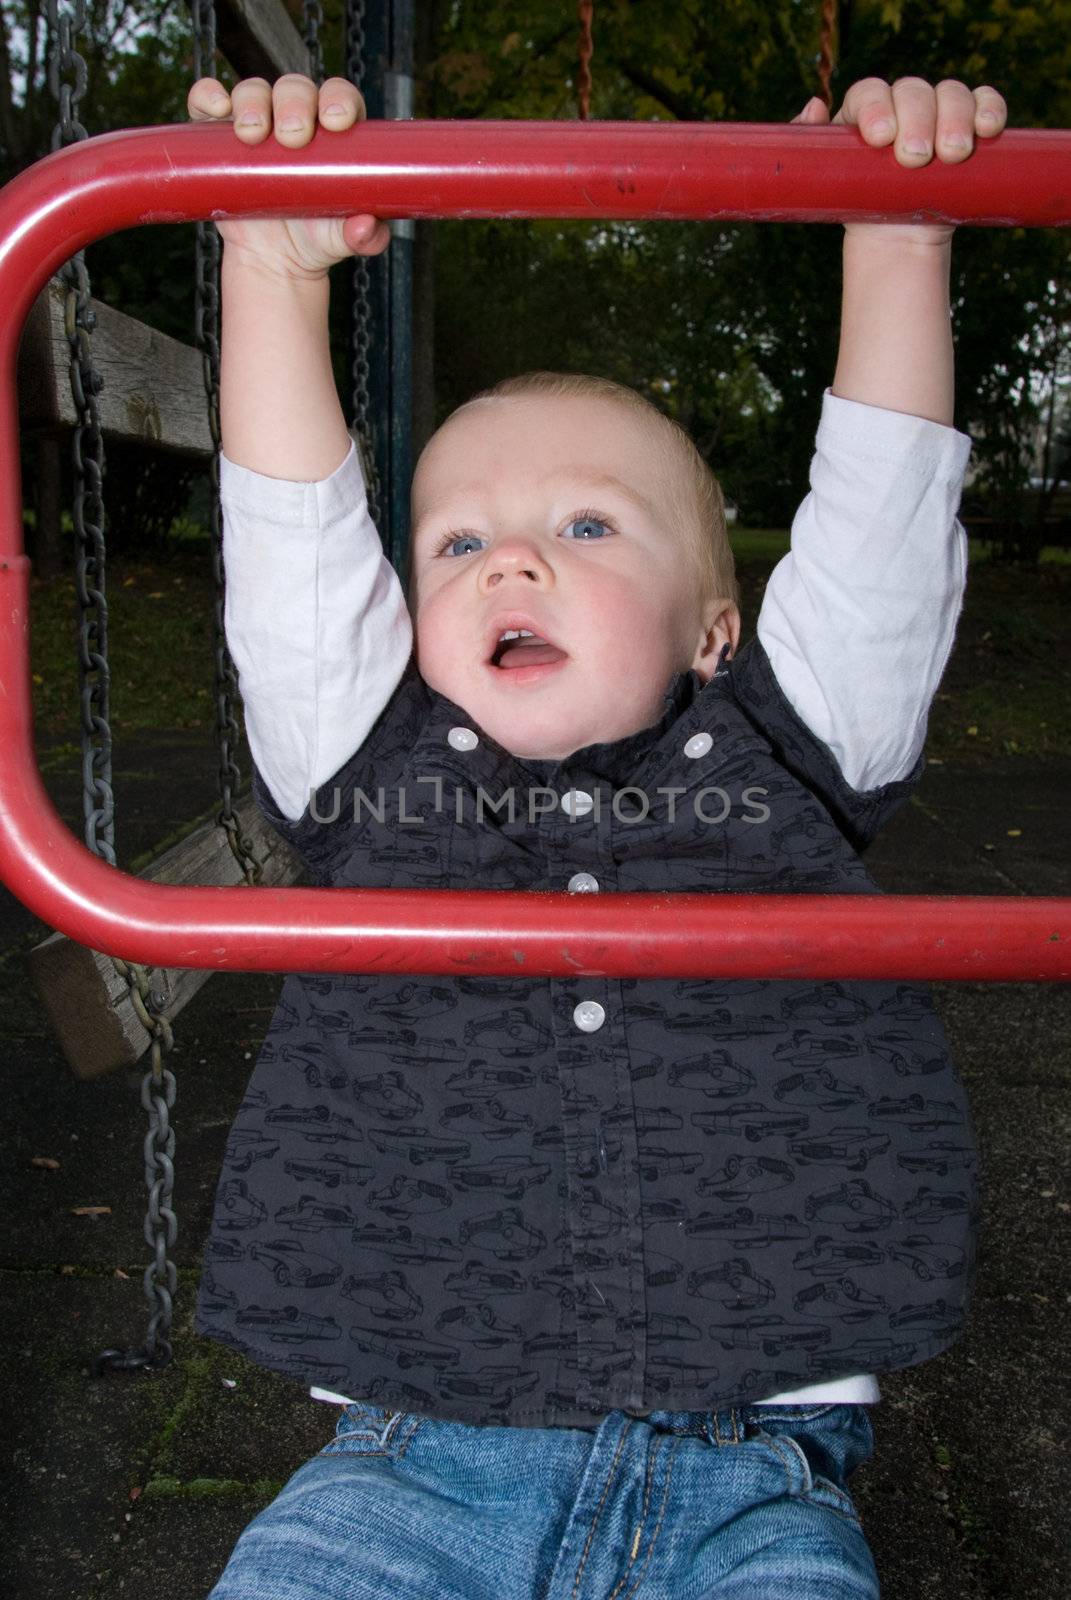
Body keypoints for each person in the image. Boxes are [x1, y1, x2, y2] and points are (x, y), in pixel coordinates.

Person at [187, 68, 1006, 1600]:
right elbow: (294, 532)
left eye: (584, 528)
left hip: (753, 1476)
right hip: (401, 1473)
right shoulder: (367, 766)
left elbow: (883, 521)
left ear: (716, 629)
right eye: (457, 540)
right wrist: (270, 264)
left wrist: (896, 231)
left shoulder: (791, 745)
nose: (510, 560)